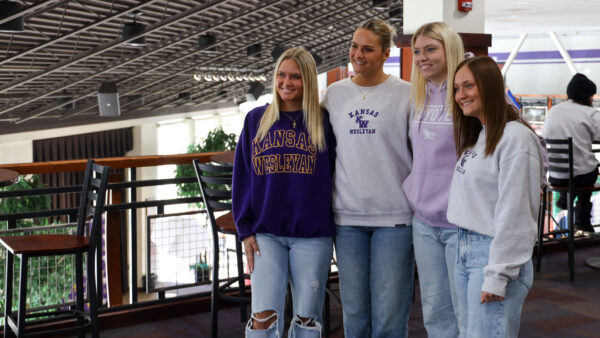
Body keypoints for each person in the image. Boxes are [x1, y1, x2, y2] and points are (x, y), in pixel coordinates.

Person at [232, 47, 336, 338]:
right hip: (266, 233)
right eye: (281, 75)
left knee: (307, 320)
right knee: (263, 317)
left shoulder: (323, 122)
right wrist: (245, 229)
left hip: (313, 234)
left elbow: (338, 174)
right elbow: (242, 177)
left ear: (308, 81)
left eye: (295, 77)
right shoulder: (255, 120)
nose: (286, 82)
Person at [321, 18, 414, 338]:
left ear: (386, 53)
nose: (358, 54)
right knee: (355, 313)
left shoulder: (406, 94)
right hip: (347, 217)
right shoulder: (334, 94)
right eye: (354, 46)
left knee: (390, 314)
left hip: (395, 217)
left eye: (368, 49)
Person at [447, 56, 544, 337]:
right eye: (456, 88)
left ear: (489, 86)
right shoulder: (481, 134)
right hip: (466, 249)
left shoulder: (516, 138)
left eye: (468, 86)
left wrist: (498, 275)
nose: (460, 95)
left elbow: (516, 212)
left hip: (492, 254)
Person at [401, 22, 464, 338]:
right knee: (435, 312)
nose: (422, 58)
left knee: (466, 313)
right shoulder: (416, 96)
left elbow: (521, 135)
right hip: (424, 222)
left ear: (448, 49)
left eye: (430, 49)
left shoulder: (468, 92)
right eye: (417, 51)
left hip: (461, 225)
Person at [542, 73, 599, 233]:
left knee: (581, 171)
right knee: (592, 169)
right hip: (579, 179)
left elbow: (545, 135)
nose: (593, 100)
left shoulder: (554, 110)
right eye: (591, 96)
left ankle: (566, 197)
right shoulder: (591, 113)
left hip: (555, 177)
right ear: (586, 96)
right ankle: (582, 219)